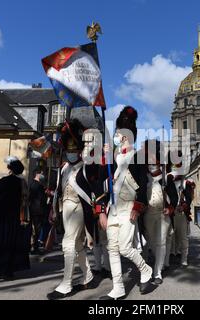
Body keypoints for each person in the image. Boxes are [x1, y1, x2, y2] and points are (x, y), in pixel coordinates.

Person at [99, 106, 155, 300]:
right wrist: (101, 210)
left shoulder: (137, 156)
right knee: (112, 248)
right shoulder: (113, 157)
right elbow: (105, 182)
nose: (117, 136)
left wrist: (139, 206)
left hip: (128, 207)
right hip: (114, 207)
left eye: (119, 133)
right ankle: (118, 288)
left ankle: (145, 269)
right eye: (116, 133)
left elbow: (142, 183)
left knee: (124, 248)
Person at [47, 119, 97, 300]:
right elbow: (58, 191)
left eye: (74, 150)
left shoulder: (87, 168)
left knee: (67, 244)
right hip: (64, 209)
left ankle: (66, 284)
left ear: (80, 150)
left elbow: (95, 188)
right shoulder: (63, 169)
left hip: (79, 208)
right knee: (77, 245)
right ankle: (88, 276)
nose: (71, 153)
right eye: (68, 150)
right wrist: (53, 209)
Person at [0, 157, 30, 280]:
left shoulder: (6, 180)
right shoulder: (22, 183)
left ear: (10, 169)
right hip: (14, 218)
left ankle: (0, 270)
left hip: (1, 218)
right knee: (11, 244)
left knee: (0, 244)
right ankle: (9, 271)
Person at [143, 140, 177, 285]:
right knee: (151, 242)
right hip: (148, 214)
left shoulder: (166, 177)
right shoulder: (142, 176)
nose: (152, 163)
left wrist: (170, 208)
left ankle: (158, 273)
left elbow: (174, 196)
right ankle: (157, 264)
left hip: (162, 214)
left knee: (161, 242)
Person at [28, 169, 47, 255]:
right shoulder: (38, 185)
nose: (43, 174)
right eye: (41, 173)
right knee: (37, 230)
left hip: (34, 209)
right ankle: (34, 247)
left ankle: (33, 246)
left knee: (34, 230)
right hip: (38, 211)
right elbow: (41, 199)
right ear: (37, 174)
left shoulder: (32, 184)